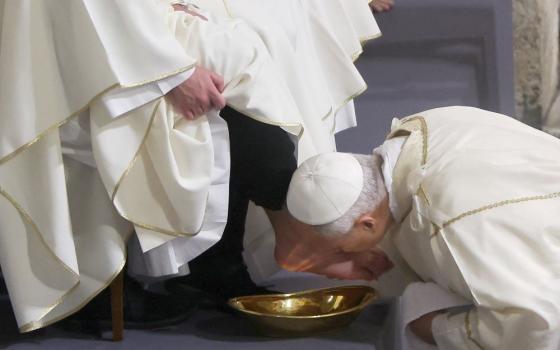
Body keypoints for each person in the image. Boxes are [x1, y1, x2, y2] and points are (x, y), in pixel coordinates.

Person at [0, 0, 380, 332]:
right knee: (235, 76)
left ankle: (249, 247)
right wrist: (172, 71)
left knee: (256, 40)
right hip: (68, 49)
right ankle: (289, 233)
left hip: (119, 23)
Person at [280, 106, 560, 350]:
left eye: (341, 249)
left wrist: (435, 328)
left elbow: (536, 324)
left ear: (367, 223)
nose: (345, 256)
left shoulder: (446, 219)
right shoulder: (422, 130)